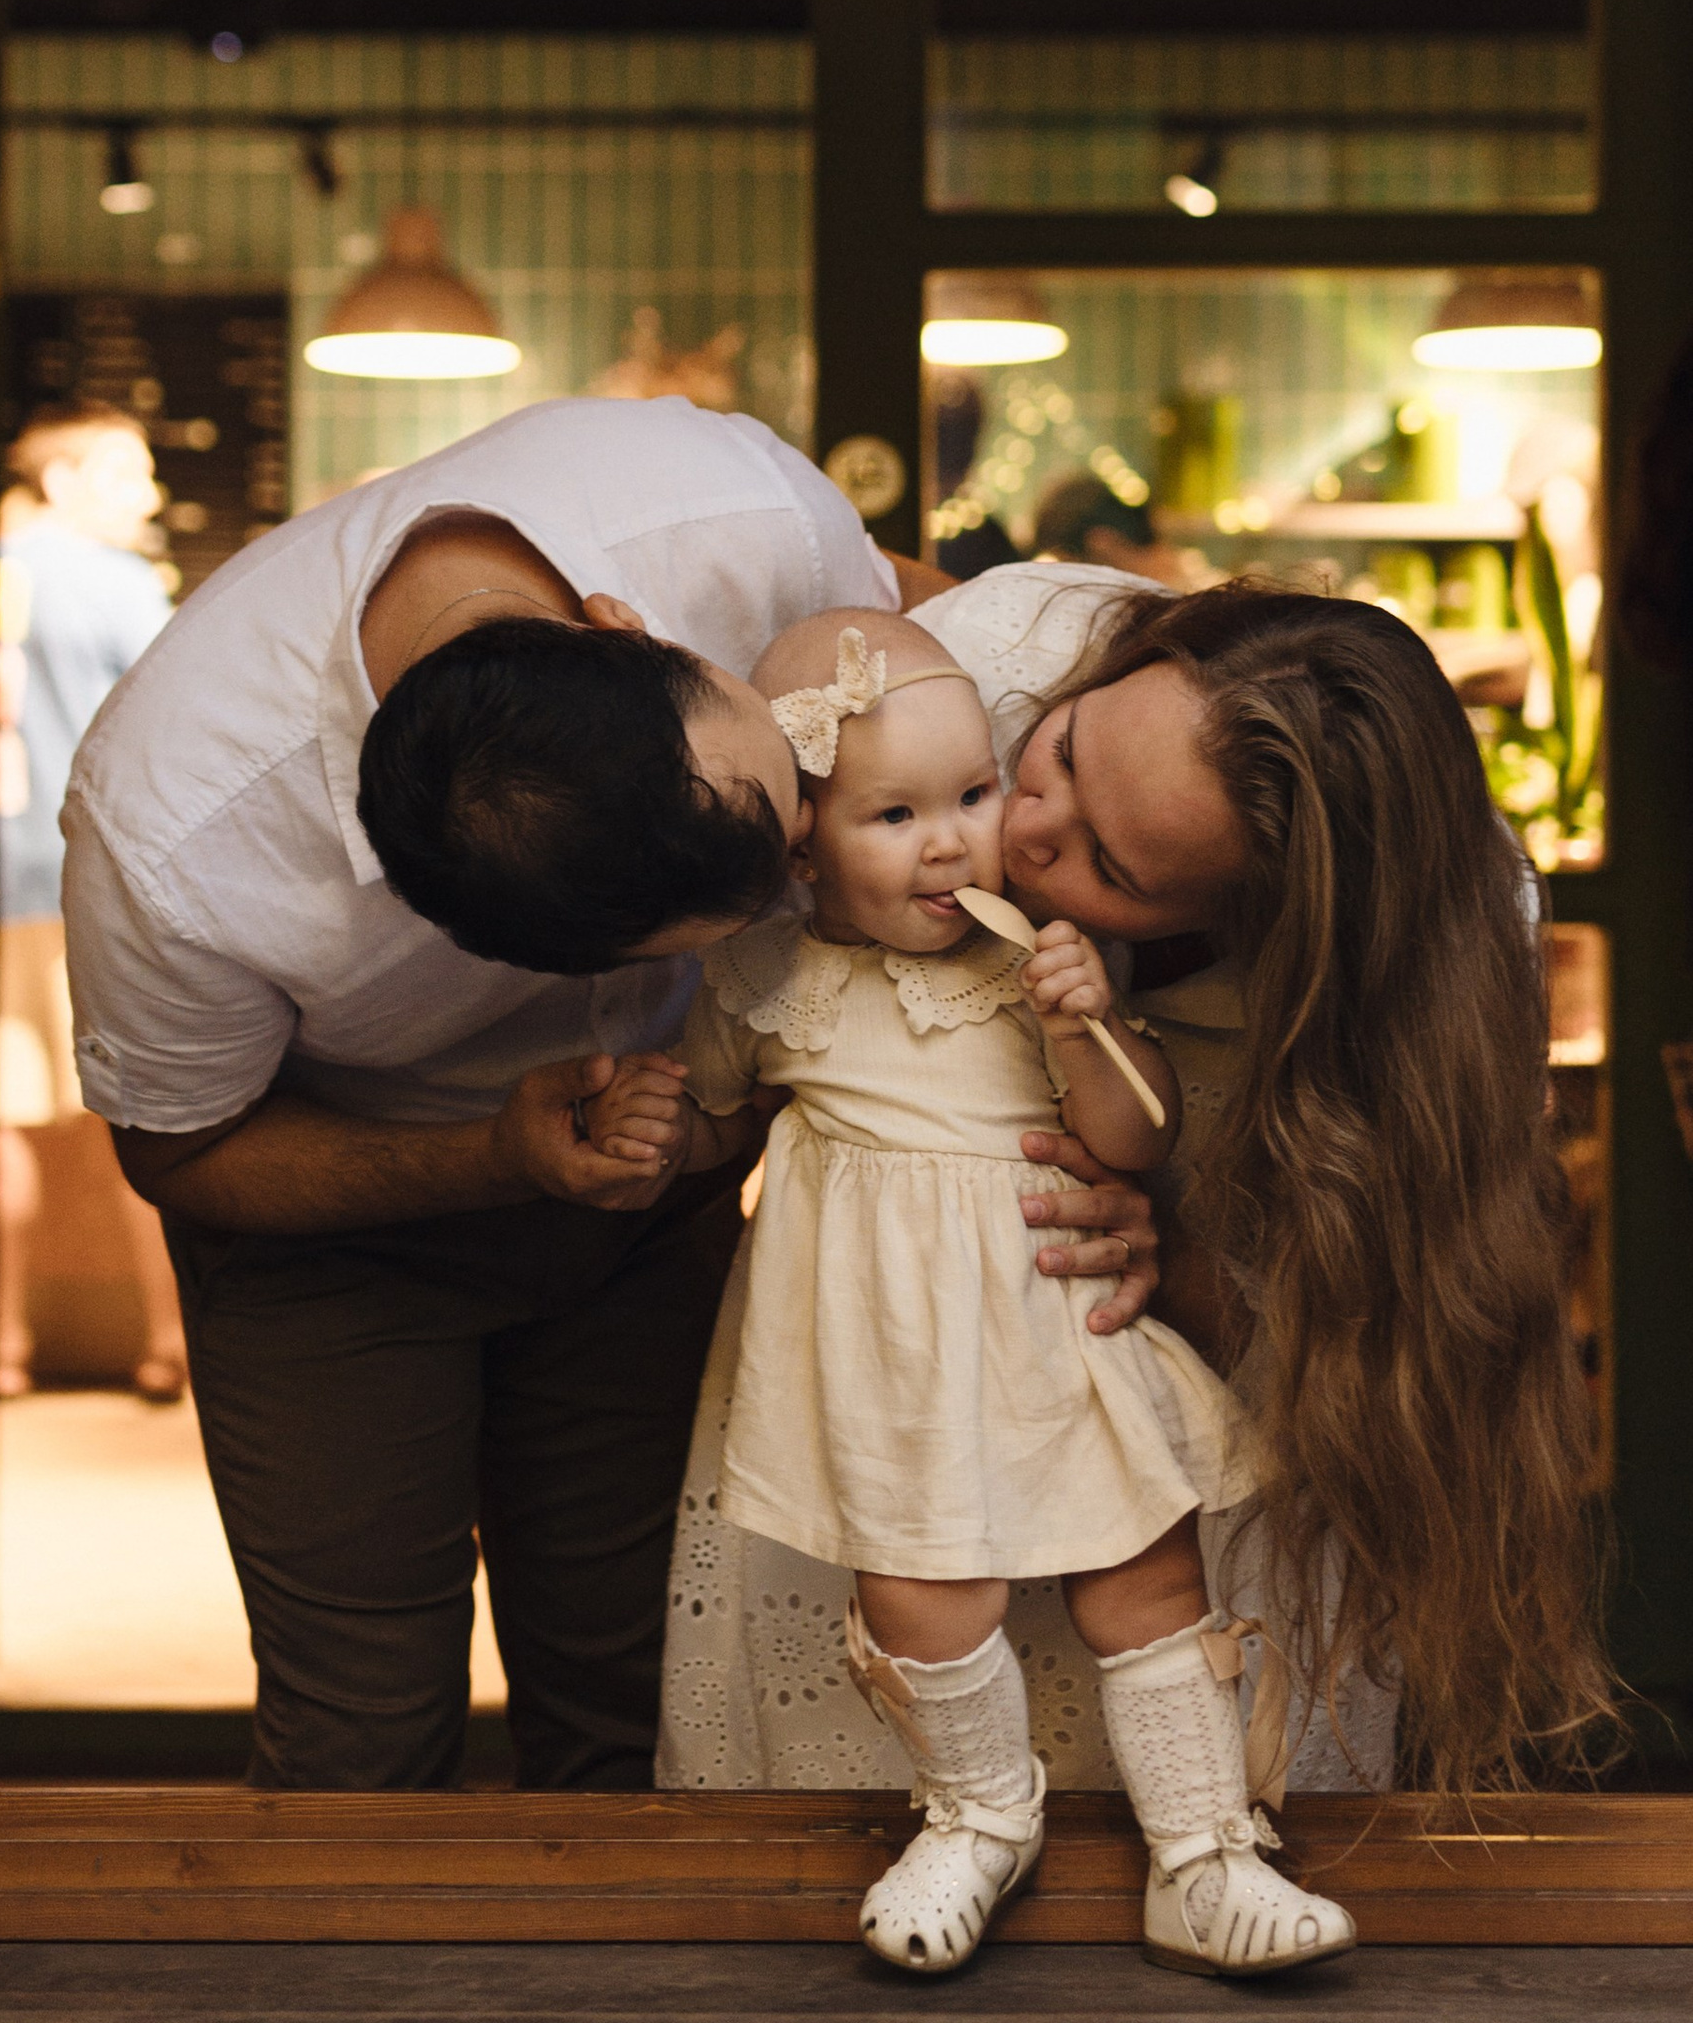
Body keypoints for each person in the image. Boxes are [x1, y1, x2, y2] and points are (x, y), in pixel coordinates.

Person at [62, 397, 1150, 1790]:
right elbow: (183, 1149)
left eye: (789, 805)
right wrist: (490, 1159)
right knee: (362, 1730)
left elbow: (948, 653)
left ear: (627, 623)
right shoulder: (178, 838)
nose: (820, 866)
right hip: (332, 1235)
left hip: (658, 1205)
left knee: (648, 1693)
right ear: (477, 944)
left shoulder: (719, 512)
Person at [658, 566, 1613, 1838]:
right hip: (900, 1395)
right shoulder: (997, 665)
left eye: (1109, 861)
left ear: (1255, 919)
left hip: (1167, 1458)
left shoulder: (1422, 968)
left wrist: (1193, 1250)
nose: (1023, 834)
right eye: (1052, 756)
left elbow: (1354, 1343)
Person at [592, 611, 1347, 1979]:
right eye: (896, 813)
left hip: (1055, 1330)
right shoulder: (761, 980)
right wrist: (661, 1131)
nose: (954, 842)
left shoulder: (1034, 959)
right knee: (923, 1602)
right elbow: (719, 1130)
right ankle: (981, 1814)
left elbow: (1133, 1142)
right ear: (802, 836)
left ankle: (1205, 1853)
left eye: (975, 796)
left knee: (1145, 1575)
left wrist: (1090, 1024)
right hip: (886, 1360)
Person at [0, 407, 185, 1400]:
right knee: (137, 1112)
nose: (147, 496)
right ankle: (168, 1340)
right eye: (126, 473)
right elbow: (176, 721)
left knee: (2, 1125)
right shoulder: (114, 584)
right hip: (90, 879)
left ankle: (2, 1348)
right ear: (64, 480)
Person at [1030, 469, 1200, 589]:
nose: (1070, 579)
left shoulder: (1172, 596)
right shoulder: (1185, 576)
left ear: (1101, 543)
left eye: (1070, 564)